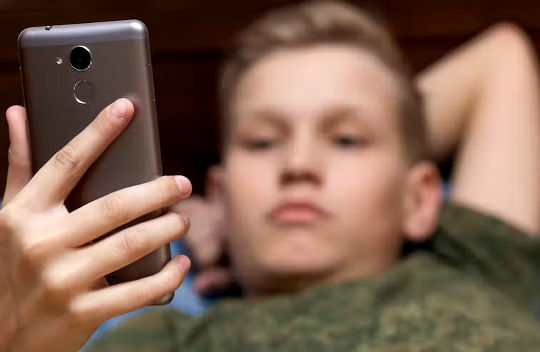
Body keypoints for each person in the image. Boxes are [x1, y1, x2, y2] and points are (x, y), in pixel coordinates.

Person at [1, 1, 539, 351]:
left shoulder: (479, 262)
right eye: (263, 141)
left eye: (346, 139)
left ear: (420, 199)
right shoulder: (161, 338)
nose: (297, 164)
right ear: (222, 193)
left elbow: (502, 60)